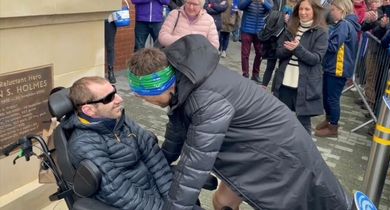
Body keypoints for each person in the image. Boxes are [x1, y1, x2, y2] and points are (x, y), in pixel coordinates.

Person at [127, 34, 350, 210]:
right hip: (257, 147)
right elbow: (176, 132)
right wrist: (159, 161)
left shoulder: (205, 100)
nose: (146, 102)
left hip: (279, 154)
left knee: (311, 201)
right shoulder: (185, 82)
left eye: (146, 97)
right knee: (223, 202)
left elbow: (195, 164)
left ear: (162, 87)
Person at [65, 76, 172, 209]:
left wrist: (174, 200)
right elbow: (118, 191)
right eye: (109, 98)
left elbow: (155, 158)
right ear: (89, 110)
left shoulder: (121, 120)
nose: (120, 99)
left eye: (114, 92)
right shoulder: (84, 144)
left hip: (158, 198)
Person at [272, 0, 328, 134]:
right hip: (285, 82)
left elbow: (315, 59)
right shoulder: (290, 28)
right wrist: (289, 49)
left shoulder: (321, 32)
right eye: (301, 9)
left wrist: (298, 49)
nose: (303, 12)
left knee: (303, 125)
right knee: (280, 120)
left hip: (305, 85)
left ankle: (305, 153)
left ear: (315, 11)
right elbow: (278, 52)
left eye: (307, 9)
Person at [314, 0, 361, 137]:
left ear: (342, 10)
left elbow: (334, 46)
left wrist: (322, 40)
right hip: (333, 67)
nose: (331, 12)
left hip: (338, 68)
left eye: (333, 9)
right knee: (327, 96)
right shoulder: (342, 24)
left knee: (332, 98)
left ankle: (333, 126)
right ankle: (329, 120)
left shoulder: (344, 25)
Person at [238, 0, 273, 82]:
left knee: (260, 53)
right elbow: (240, 6)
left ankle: (255, 74)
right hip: (246, 29)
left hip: (260, 31)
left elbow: (271, 9)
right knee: (245, 53)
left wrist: (263, 2)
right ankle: (245, 74)